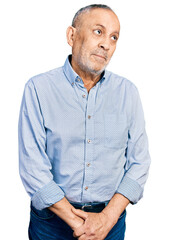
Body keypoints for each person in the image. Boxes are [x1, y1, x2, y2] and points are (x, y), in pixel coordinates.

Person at [18, 4, 151, 240]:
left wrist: (106, 219)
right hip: (51, 224)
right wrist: (79, 222)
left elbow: (139, 162)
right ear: (72, 35)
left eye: (114, 37)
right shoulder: (38, 89)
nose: (106, 44)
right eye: (98, 31)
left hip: (110, 223)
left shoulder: (128, 92)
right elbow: (32, 166)